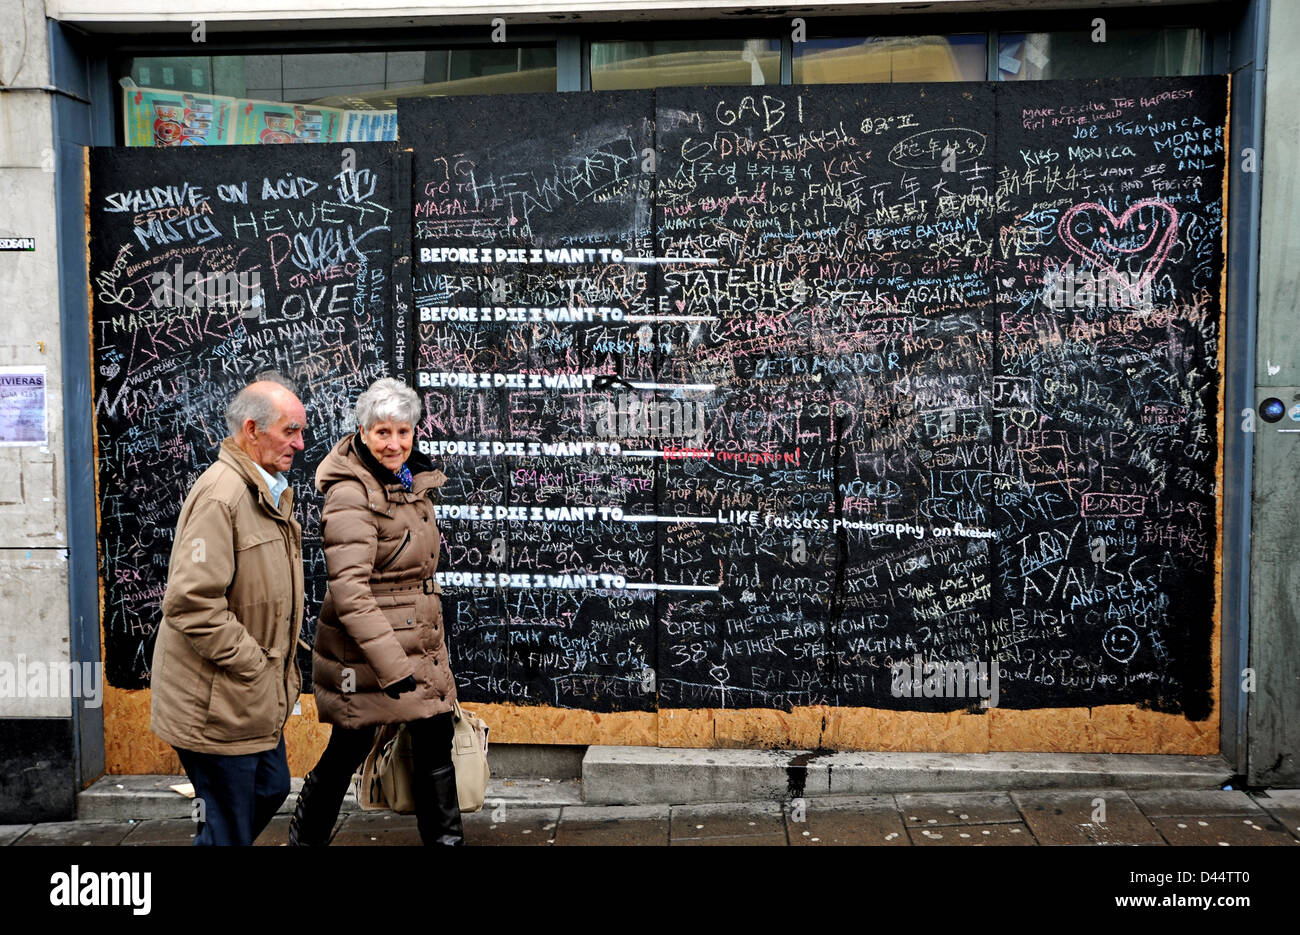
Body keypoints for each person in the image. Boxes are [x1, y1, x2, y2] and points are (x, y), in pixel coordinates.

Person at [288, 377, 461, 846]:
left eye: (403, 432)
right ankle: (305, 839)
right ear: (362, 433)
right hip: (367, 652)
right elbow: (350, 592)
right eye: (383, 432)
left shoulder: (410, 483)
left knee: (434, 742)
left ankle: (446, 842)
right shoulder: (350, 493)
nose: (394, 443)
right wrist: (392, 664)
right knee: (350, 746)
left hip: (416, 643)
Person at [150, 374, 307, 846]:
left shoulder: (267, 491)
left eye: (301, 431)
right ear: (252, 430)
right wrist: (253, 664)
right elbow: (191, 601)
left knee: (270, 788)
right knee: (228, 824)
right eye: (290, 431)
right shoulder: (224, 496)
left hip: (250, 700)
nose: (301, 443)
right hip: (217, 702)